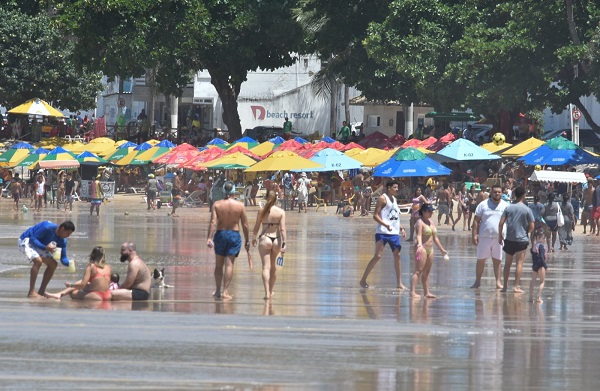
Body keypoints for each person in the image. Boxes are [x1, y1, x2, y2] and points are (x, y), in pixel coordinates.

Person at [359, 181, 407, 290]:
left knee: (397, 255)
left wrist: (402, 228)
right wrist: (385, 225)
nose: (396, 189)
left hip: (394, 232)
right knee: (378, 256)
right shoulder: (382, 198)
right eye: (395, 187)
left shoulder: (394, 200)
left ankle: (399, 283)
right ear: (389, 188)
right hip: (382, 232)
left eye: (397, 187)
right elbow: (375, 215)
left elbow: (395, 217)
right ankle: (363, 280)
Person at [207, 181, 250, 299]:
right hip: (234, 235)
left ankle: (217, 291)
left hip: (220, 234)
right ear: (233, 191)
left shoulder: (217, 204)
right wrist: (247, 240)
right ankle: (225, 292)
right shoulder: (240, 206)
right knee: (229, 264)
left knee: (218, 265)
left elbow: (213, 222)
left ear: (223, 191)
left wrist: (209, 238)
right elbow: (245, 225)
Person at [18, 220, 76, 298]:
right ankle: (31, 292)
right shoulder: (47, 228)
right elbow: (33, 238)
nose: (68, 236)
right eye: (68, 233)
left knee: (53, 264)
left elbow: (63, 257)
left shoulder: (63, 241)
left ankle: (41, 292)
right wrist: (45, 248)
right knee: (38, 261)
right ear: (62, 229)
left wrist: (69, 263)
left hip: (41, 245)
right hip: (26, 240)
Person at [470, 184, 508, 289]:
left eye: (499, 192)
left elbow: (509, 222)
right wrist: (474, 235)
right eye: (495, 192)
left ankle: (498, 283)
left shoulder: (505, 206)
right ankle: (477, 282)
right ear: (491, 192)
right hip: (484, 237)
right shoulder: (483, 205)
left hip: (499, 238)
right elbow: (476, 221)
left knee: (498, 260)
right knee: (481, 260)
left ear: (502, 193)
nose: (497, 194)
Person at [499, 186, 535, 294]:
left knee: (507, 263)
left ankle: (504, 286)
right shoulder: (527, 209)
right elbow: (532, 226)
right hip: (521, 239)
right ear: (524, 195)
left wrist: (500, 236)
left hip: (509, 239)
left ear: (514, 195)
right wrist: (525, 232)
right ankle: (516, 286)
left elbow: (501, 223)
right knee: (519, 263)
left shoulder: (508, 208)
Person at [252, 190, 287, 300]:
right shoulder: (281, 212)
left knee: (265, 267)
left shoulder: (261, 211)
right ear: (276, 199)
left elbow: (257, 226)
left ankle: (267, 293)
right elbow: (282, 229)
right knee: (273, 268)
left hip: (265, 238)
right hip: (276, 240)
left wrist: (253, 238)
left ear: (266, 198)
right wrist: (284, 244)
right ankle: (271, 291)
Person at [44, 246, 112, 301]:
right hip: (108, 295)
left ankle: (59, 294)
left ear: (92, 255)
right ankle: (59, 294)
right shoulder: (108, 267)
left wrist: (70, 285)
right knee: (81, 283)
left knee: (72, 292)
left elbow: (82, 285)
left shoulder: (91, 266)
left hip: (96, 296)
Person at [410, 203, 448, 298]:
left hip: (430, 249)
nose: (431, 213)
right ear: (423, 212)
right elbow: (418, 235)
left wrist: (441, 250)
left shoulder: (431, 222)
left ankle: (427, 292)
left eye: (432, 211)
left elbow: (435, 238)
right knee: (418, 270)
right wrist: (419, 244)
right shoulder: (420, 222)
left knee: (427, 272)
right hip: (421, 248)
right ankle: (412, 292)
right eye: (429, 211)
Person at [529, 227, 548, 303]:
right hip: (540, 265)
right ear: (538, 238)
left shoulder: (534, 245)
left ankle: (530, 297)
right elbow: (541, 257)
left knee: (532, 282)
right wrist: (545, 266)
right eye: (543, 238)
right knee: (542, 282)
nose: (545, 240)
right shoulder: (541, 246)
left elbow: (533, 255)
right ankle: (538, 297)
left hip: (534, 266)